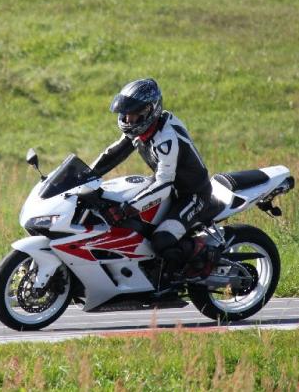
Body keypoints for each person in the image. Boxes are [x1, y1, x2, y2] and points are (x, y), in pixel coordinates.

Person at [91, 78, 216, 278]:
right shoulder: (141, 130)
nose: (128, 120)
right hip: (170, 190)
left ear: (150, 110)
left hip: (192, 195)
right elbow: (114, 153)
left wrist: (128, 208)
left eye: (134, 114)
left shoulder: (166, 138)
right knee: (136, 227)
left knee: (161, 240)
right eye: (126, 114)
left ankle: (199, 260)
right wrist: (85, 175)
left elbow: (164, 184)